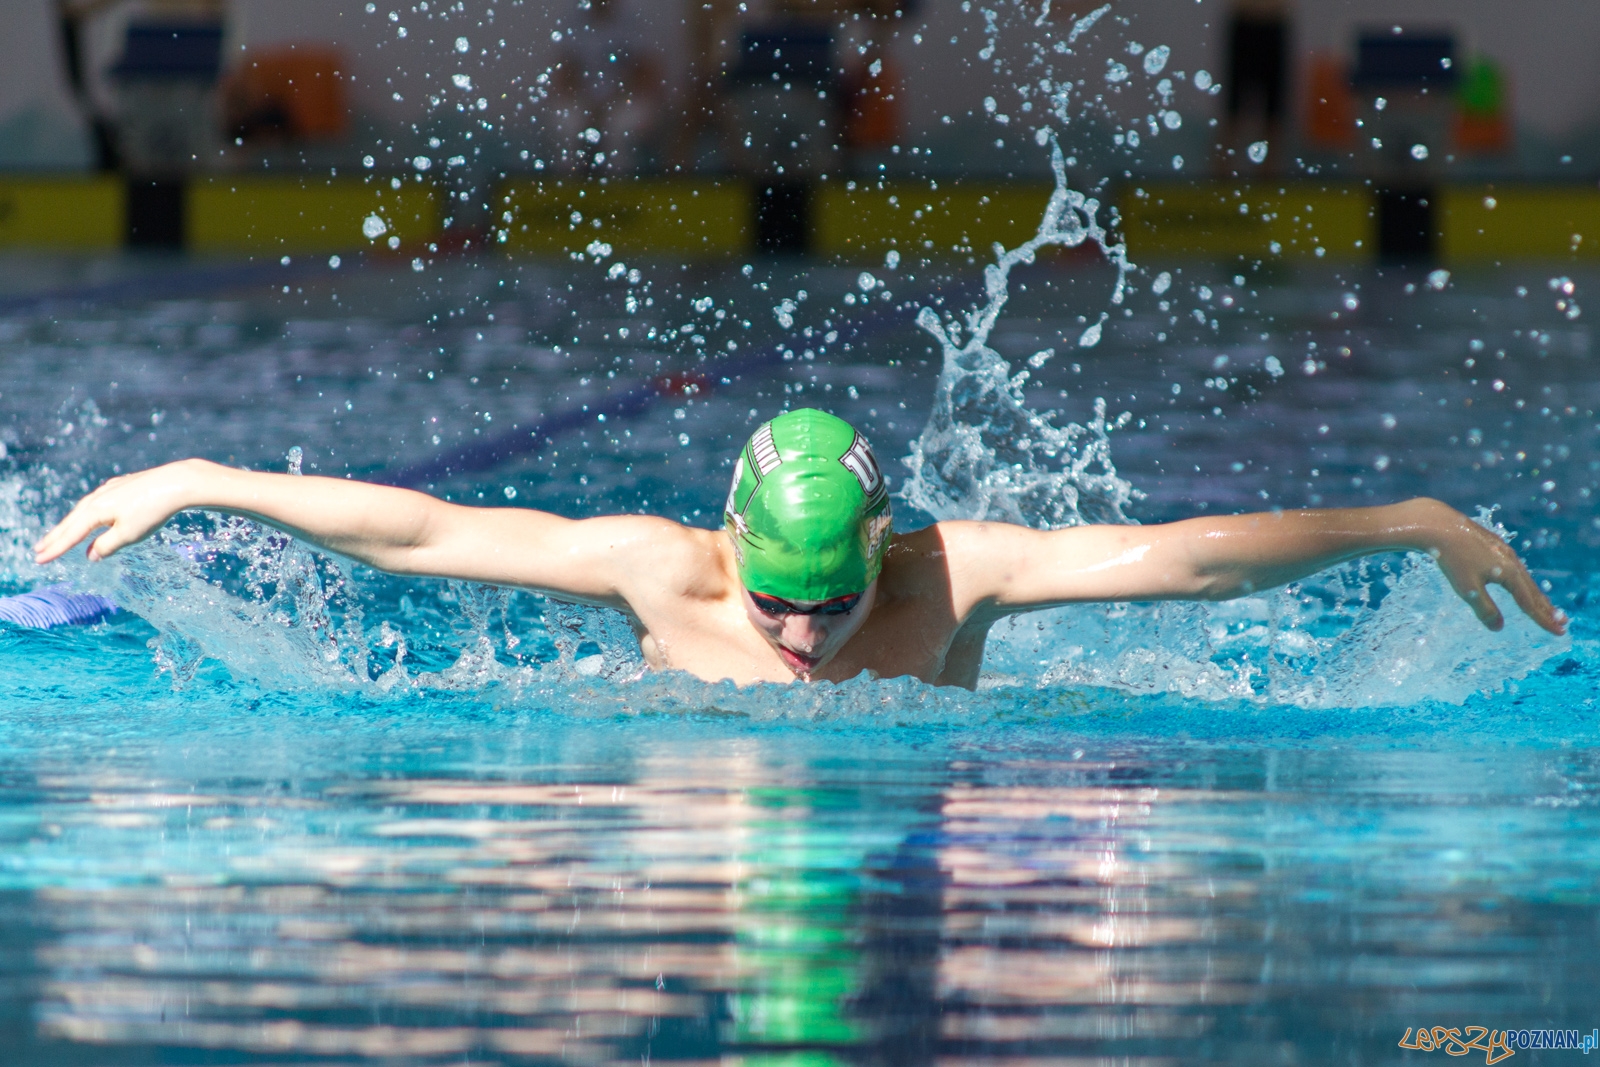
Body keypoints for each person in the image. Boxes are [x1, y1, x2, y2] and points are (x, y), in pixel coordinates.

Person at [34, 409, 1565, 689]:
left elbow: (1187, 560)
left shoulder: (953, 577)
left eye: (836, 602)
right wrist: (207, 473)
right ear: (726, 549)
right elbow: (428, 535)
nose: (806, 636)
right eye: (780, 598)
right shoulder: (664, 570)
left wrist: (1407, 521)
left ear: (885, 553)